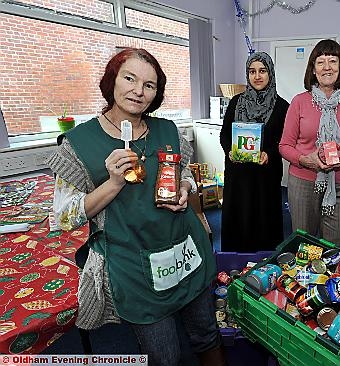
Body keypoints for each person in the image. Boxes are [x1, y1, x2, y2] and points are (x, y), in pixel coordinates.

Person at [47, 48, 224, 366]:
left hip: (187, 253)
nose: (139, 91)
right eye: (129, 78)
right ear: (112, 80)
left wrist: (184, 187)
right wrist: (113, 183)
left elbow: (184, 171)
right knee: (165, 357)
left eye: (150, 85)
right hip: (136, 268)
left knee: (206, 335)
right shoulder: (79, 144)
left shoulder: (168, 130)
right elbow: (62, 217)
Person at [279, 39, 340, 249]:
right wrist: (304, 160)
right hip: (303, 184)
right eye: (320, 62)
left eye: (333, 61)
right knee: (303, 244)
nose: (327, 67)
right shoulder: (299, 102)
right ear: (313, 69)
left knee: (336, 246)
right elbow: (284, 146)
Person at [220, 52, 289, 252]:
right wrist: (229, 150)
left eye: (262, 71)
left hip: (265, 177)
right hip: (238, 175)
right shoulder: (235, 102)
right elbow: (224, 134)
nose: (257, 76)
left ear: (271, 74)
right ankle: (235, 260)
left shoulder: (283, 106)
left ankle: (264, 263)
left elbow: (285, 141)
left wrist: (269, 153)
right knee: (238, 217)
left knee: (263, 220)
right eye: (252, 71)